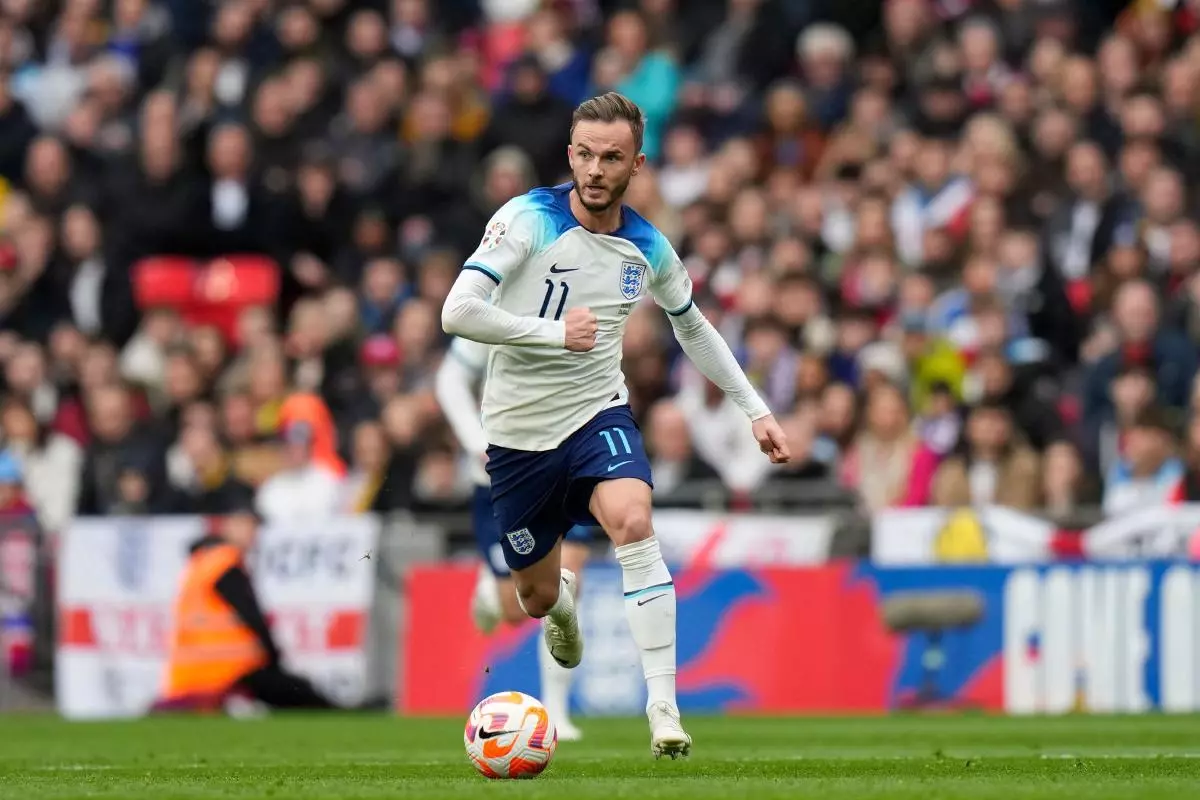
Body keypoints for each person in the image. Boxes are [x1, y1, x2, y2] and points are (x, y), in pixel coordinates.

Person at [441, 92, 790, 758]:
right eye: (585, 154)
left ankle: (664, 709)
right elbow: (457, 313)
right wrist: (549, 333)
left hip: (597, 413)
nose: (596, 169)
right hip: (516, 435)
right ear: (569, 153)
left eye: (612, 157)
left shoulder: (647, 247)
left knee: (633, 520)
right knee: (537, 598)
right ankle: (562, 607)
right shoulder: (526, 219)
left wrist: (756, 410)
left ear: (637, 165)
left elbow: (693, 326)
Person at [435, 335, 593, 741]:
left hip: (567, 467)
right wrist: (476, 441)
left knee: (567, 584)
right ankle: (491, 591)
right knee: (519, 606)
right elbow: (450, 379)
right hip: (503, 476)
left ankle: (555, 713)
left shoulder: (586, 305)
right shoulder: (497, 310)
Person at [157, 505, 337, 712]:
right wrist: (274, 658)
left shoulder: (201, 561)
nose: (253, 534)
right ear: (227, 526)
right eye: (247, 526)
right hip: (227, 672)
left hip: (189, 677)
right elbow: (252, 616)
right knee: (299, 693)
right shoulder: (224, 562)